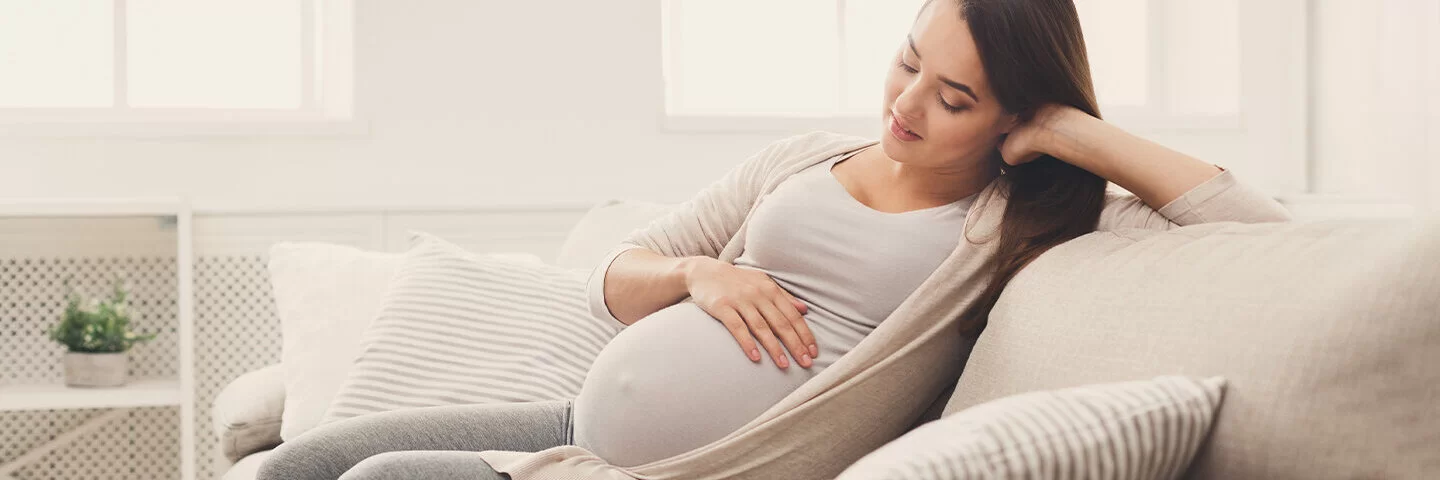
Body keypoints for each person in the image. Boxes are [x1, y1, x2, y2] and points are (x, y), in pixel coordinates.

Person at [258, 0, 1289, 478]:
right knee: (296, 466)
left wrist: (1074, 130)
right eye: (906, 62)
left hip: (700, 467)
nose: (907, 105)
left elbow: (1254, 230)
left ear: (1014, 119)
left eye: (957, 97)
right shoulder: (803, 157)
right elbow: (603, 284)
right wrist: (699, 274)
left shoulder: (1018, 222)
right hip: (576, 419)